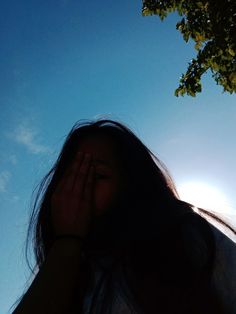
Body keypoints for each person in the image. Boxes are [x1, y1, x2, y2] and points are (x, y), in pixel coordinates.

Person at [12, 119, 236, 314]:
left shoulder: (187, 239)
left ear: (131, 187)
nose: (80, 188)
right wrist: (66, 242)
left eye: (98, 175)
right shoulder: (66, 277)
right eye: (71, 177)